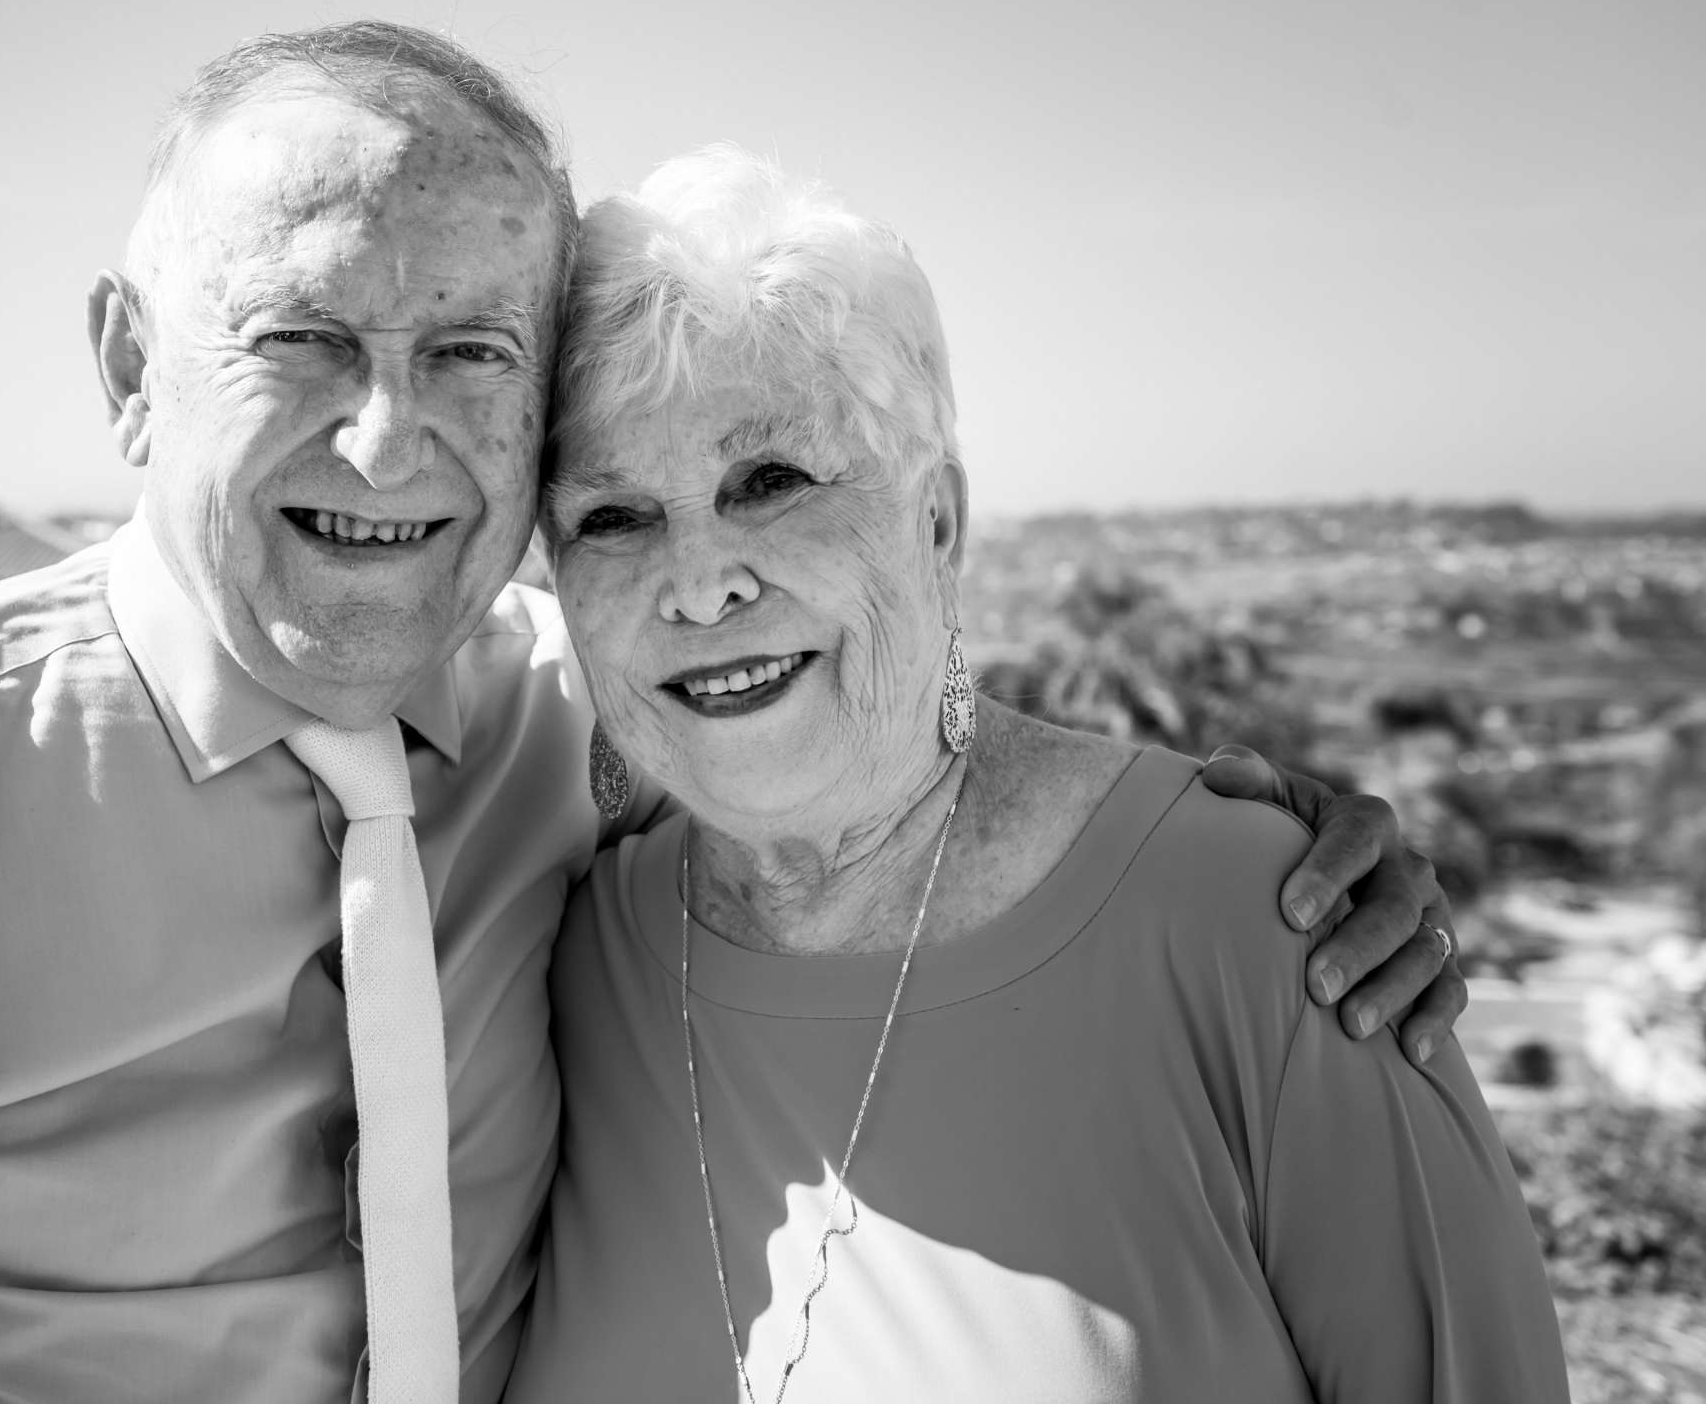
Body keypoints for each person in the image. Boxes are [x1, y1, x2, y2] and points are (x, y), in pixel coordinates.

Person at [0, 25, 1463, 1403]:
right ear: (133, 366)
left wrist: (1248, 827)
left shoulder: (549, 740)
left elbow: (830, 717)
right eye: (305, 336)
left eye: (468, 350)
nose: (388, 431)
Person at [506, 148, 1566, 1402]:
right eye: (612, 518)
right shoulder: (564, 937)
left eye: (772, 481)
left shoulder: (1274, 928)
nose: (699, 581)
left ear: (938, 520)